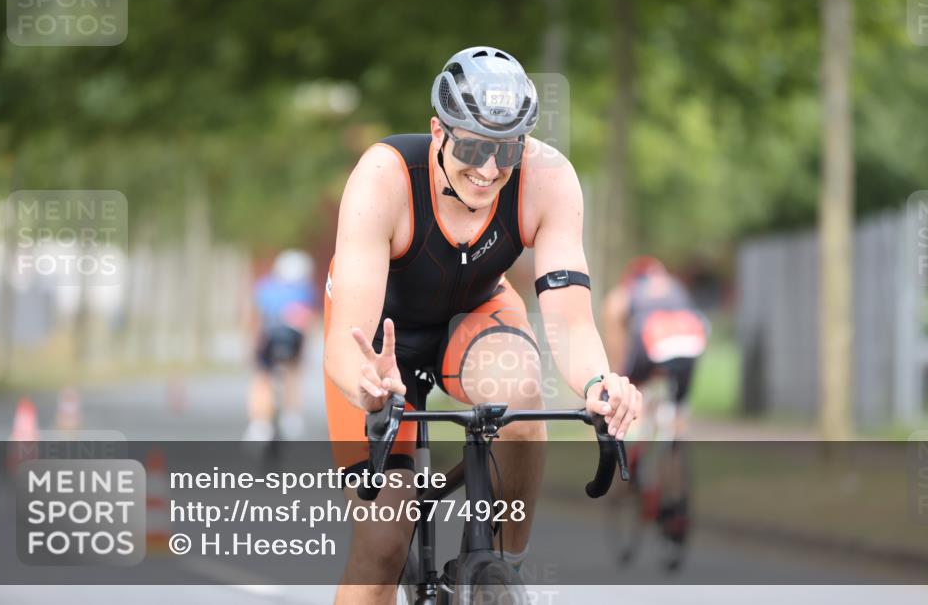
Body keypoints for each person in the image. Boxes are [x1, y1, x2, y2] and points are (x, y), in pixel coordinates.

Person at [323, 46, 642, 604]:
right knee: (381, 546)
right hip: (378, 341)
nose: (490, 169)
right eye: (471, 146)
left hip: (472, 316)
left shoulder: (549, 179)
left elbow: (569, 320)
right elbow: (345, 339)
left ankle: (500, 569)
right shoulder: (384, 177)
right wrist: (369, 387)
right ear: (437, 130)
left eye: (507, 149)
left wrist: (599, 384)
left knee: (520, 396)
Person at [602, 255, 708, 557]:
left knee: (630, 396)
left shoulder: (622, 296)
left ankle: (636, 454)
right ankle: (675, 504)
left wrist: (616, 386)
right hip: (690, 345)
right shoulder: (674, 286)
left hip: (652, 349)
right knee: (674, 423)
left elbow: (617, 354)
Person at [244, 249, 318, 442]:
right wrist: (304, 353)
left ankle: (259, 424)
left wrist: (252, 346)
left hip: (268, 338)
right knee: (293, 372)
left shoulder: (265, 287)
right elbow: (307, 324)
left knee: (262, 377)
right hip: (293, 339)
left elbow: (255, 320)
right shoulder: (305, 291)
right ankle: (291, 417)